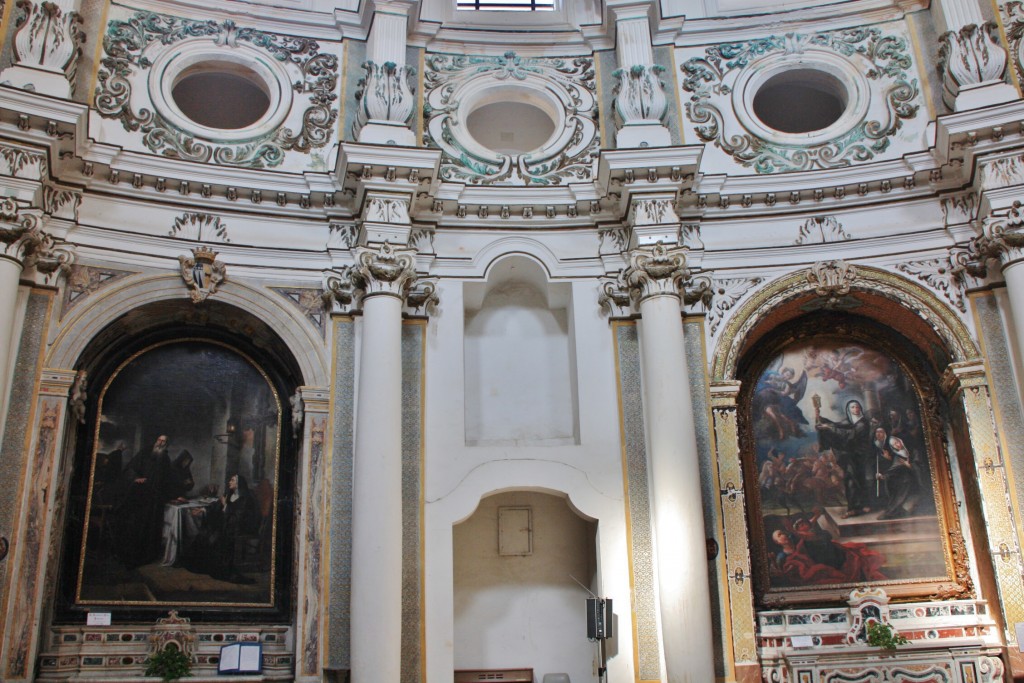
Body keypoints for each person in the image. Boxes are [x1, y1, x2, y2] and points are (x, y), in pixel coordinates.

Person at [183, 474, 260, 583]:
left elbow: (239, 518)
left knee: (217, 536)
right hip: (226, 524)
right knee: (205, 533)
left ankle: (219, 567)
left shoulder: (245, 498)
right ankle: (204, 565)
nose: (229, 482)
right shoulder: (229, 494)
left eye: (232, 480)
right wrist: (203, 510)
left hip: (238, 527)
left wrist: (226, 506)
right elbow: (217, 505)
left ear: (238, 484)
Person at [115, 435, 173, 567]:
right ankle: (133, 556)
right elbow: (131, 469)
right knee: (137, 525)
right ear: (155, 441)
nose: (161, 443)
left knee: (153, 527)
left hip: (156, 499)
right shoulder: (144, 454)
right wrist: (136, 478)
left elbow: (169, 480)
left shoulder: (165, 458)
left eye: (164, 441)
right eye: (159, 440)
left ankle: (149, 556)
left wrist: (174, 495)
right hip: (140, 496)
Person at [816, 399, 874, 518]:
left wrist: (829, 428)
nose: (855, 409)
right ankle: (856, 506)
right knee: (851, 480)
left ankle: (856, 507)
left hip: (859, 456)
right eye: (852, 407)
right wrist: (821, 418)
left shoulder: (862, 423)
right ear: (848, 409)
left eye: (857, 407)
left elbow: (850, 435)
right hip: (850, 456)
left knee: (855, 480)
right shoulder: (849, 420)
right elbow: (837, 425)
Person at [876, 436, 920, 520]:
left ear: (901, 441)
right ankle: (893, 512)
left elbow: (919, 465)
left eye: (897, 442)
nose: (897, 445)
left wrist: (909, 465)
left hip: (910, 479)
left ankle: (891, 512)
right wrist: (883, 476)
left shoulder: (912, 451)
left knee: (900, 493)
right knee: (895, 492)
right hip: (901, 479)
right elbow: (893, 470)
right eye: (894, 445)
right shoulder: (897, 457)